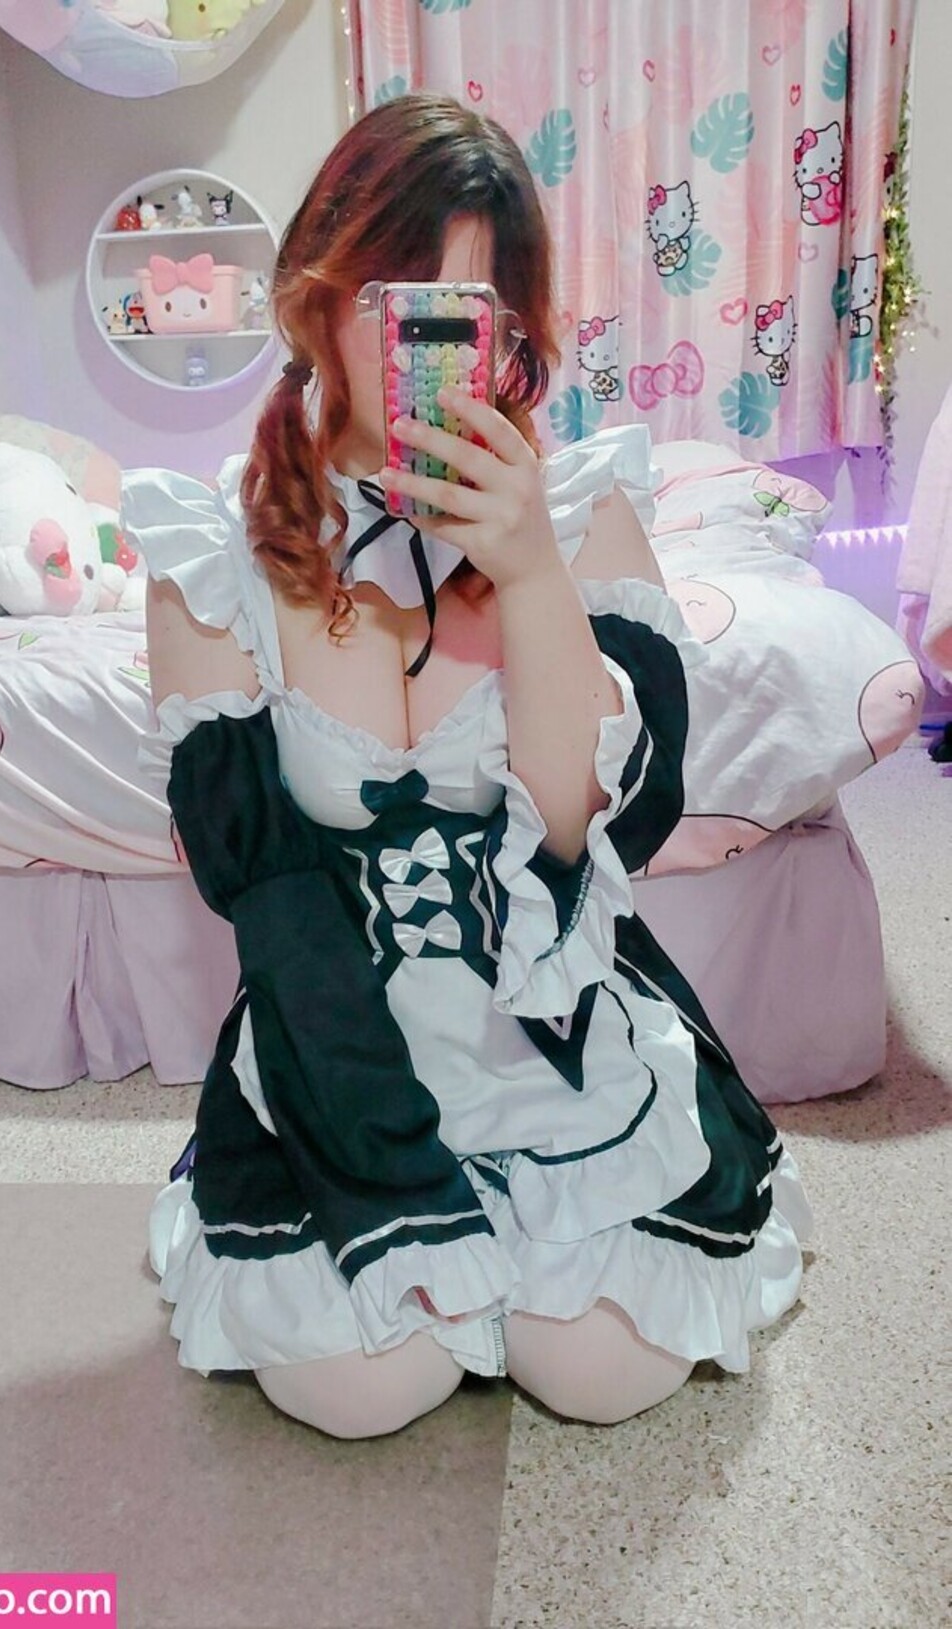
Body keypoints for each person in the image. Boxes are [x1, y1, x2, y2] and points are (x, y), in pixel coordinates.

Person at [123, 93, 812, 1441]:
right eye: (398, 303)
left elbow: (586, 826)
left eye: (470, 312)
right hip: (336, 1023)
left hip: (552, 1015)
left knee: (604, 1369)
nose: (431, 349)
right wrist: (389, 1182)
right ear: (315, 294)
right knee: (366, 1385)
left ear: (511, 334)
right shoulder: (211, 555)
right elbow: (267, 892)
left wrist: (532, 570)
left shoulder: (577, 512)